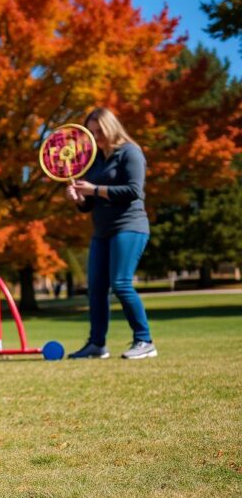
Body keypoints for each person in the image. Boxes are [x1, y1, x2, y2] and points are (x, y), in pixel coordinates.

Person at [65, 107, 157, 359]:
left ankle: (144, 341)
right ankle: (97, 344)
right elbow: (88, 206)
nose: (96, 138)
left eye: (99, 132)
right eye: (91, 133)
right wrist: (79, 198)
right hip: (102, 231)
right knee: (95, 288)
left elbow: (133, 191)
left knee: (121, 283)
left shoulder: (130, 152)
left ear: (111, 127)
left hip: (130, 226)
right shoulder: (94, 160)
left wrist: (94, 189)